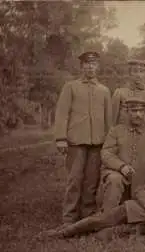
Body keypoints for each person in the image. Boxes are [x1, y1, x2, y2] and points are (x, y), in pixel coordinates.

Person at [39, 162, 145, 239]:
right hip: (135, 209)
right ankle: (62, 233)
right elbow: (141, 190)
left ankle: (81, 235)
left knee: (102, 237)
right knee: (99, 220)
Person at [54, 50, 112, 225]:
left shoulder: (104, 90)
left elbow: (108, 119)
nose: (90, 67)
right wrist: (61, 138)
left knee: (92, 180)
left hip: (97, 143)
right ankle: (70, 217)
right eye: (87, 64)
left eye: (93, 64)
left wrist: (109, 143)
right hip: (76, 141)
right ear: (82, 66)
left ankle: (88, 214)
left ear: (98, 67)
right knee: (74, 179)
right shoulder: (71, 86)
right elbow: (62, 113)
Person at [97, 97, 145, 214]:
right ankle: (106, 217)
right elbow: (106, 154)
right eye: (134, 111)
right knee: (114, 179)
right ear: (126, 112)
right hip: (118, 174)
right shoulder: (116, 131)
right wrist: (122, 166)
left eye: (141, 111)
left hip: (140, 181)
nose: (138, 114)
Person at [112, 59, 145, 127]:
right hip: (124, 134)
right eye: (135, 71)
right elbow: (113, 121)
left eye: (141, 71)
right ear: (130, 73)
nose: (138, 75)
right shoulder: (119, 93)